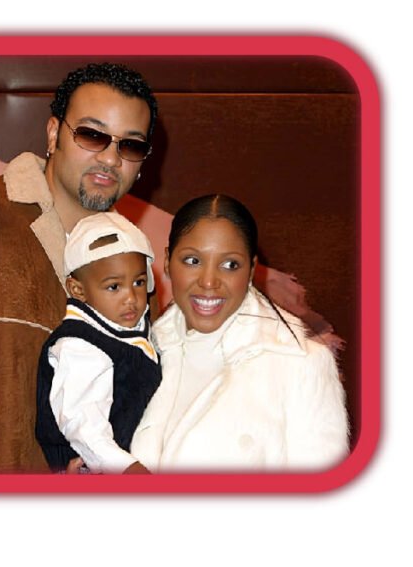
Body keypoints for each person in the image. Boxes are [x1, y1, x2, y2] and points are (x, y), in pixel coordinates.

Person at [0, 63, 158, 473]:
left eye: (130, 145)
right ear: (54, 133)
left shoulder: (139, 274)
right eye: (92, 135)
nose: (110, 158)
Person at [130, 195, 349, 472]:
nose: (209, 281)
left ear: (251, 271)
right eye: (192, 260)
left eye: (230, 265)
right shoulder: (140, 354)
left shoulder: (302, 365)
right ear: (167, 262)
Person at [35, 212, 160, 474]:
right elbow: (83, 424)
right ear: (78, 290)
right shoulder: (79, 345)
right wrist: (126, 468)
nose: (131, 297)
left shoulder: (133, 331)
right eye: (114, 287)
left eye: (138, 282)